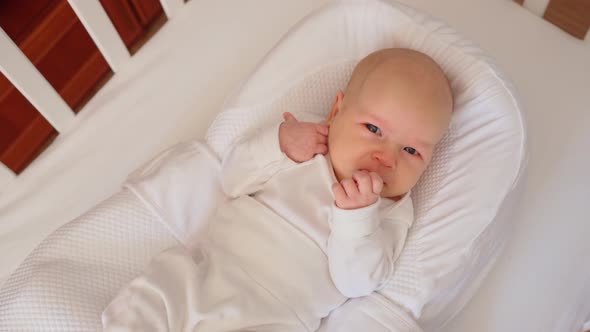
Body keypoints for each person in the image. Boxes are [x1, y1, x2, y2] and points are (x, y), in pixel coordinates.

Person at [102, 48, 453, 332]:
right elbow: (233, 180)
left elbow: (358, 283)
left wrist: (357, 220)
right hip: (209, 272)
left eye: (411, 151)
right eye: (374, 128)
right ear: (336, 111)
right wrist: (277, 144)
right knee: (160, 290)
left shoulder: (390, 211)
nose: (386, 157)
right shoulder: (302, 147)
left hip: (275, 316)